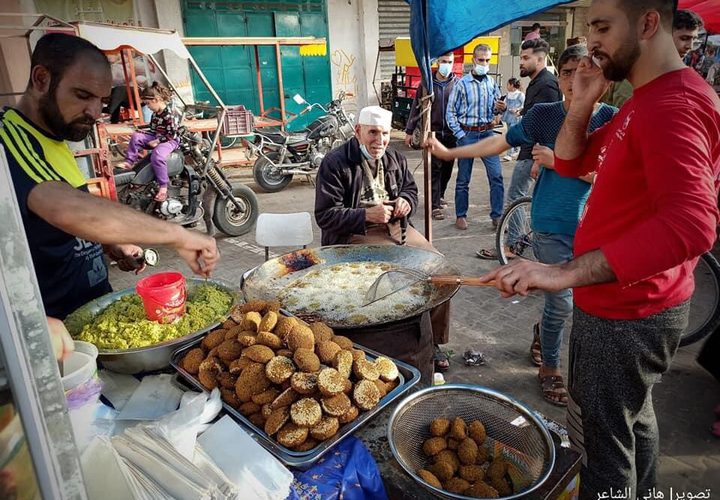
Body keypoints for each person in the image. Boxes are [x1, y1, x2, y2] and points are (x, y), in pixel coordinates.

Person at [479, 0, 720, 498]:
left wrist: (561, 273)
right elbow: (569, 162)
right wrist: (583, 102)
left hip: (627, 314)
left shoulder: (674, 106)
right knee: (633, 421)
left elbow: (693, 224)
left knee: (602, 447)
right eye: (591, 27)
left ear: (648, 23)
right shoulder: (642, 100)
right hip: (629, 308)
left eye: (603, 27)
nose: (592, 41)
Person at [427, 44, 617, 407]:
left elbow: (617, 178)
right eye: (567, 72)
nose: (576, 81)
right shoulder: (545, 115)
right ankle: (550, 366)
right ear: (558, 75)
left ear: (602, 78)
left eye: (585, 71)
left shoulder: (613, 119)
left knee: (576, 302)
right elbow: (501, 141)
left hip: (595, 226)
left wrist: (562, 163)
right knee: (561, 302)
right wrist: (450, 153)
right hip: (550, 222)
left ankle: (543, 333)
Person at [0, 34, 219, 330]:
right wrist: (179, 236)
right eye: (82, 95)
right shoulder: (9, 138)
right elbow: (67, 209)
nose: (94, 112)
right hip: (54, 333)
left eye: (101, 101)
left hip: (95, 315)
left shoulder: (56, 139)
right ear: (41, 79)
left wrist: (111, 243)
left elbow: (57, 226)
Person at [315, 105, 452, 377]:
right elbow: (325, 215)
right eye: (373, 133)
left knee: (441, 272)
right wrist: (365, 215)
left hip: (395, 228)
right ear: (358, 132)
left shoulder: (395, 159)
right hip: (352, 236)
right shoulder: (335, 162)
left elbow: (410, 190)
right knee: (391, 278)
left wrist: (405, 203)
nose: (379, 141)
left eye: (385, 134)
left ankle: (434, 340)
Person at [478, 38, 562, 259]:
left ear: (541, 59)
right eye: (521, 57)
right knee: (526, 197)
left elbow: (550, 124)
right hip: (530, 150)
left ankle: (513, 245)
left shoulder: (547, 85)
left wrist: (538, 160)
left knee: (516, 195)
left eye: (526, 58)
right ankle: (522, 241)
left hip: (535, 153)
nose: (521, 63)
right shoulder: (537, 83)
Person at [446, 44, 503, 231]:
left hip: (487, 133)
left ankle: (497, 215)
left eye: (487, 60)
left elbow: (494, 110)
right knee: (463, 179)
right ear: (473, 60)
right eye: (481, 60)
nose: (484, 64)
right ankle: (461, 215)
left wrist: (499, 108)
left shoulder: (491, 83)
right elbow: (450, 112)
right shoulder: (462, 84)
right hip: (467, 134)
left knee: (496, 176)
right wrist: (461, 135)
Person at [404, 52, 458, 221]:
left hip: (451, 134)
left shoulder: (457, 84)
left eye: (449, 62)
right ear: (437, 62)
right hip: (432, 133)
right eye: (443, 61)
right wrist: (409, 130)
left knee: (447, 169)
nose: (446, 65)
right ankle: (434, 206)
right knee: (434, 169)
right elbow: (416, 107)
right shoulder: (427, 85)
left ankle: (439, 195)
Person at [117, 82, 178, 202]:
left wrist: (158, 141)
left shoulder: (170, 114)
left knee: (158, 155)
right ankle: (129, 162)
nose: (147, 107)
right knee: (136, 137)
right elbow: (153, 130)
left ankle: (163, 187)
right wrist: (141, 132)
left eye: (148, 104)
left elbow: (172, 134)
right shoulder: (155, 114)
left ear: (157, 99)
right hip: (157, 137)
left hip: (170, 140)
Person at [500, 78, 524, 161]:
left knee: (510, 134)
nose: (507, 86)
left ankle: (509, 154)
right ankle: (517, 150)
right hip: (508, 117)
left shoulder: (520, 95)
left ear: (512, 85)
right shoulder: (508, 94)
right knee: (513, 134)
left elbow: (524, 105)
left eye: (508, 84)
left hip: (515, 117)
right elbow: (505, 104)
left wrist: (517, 110)